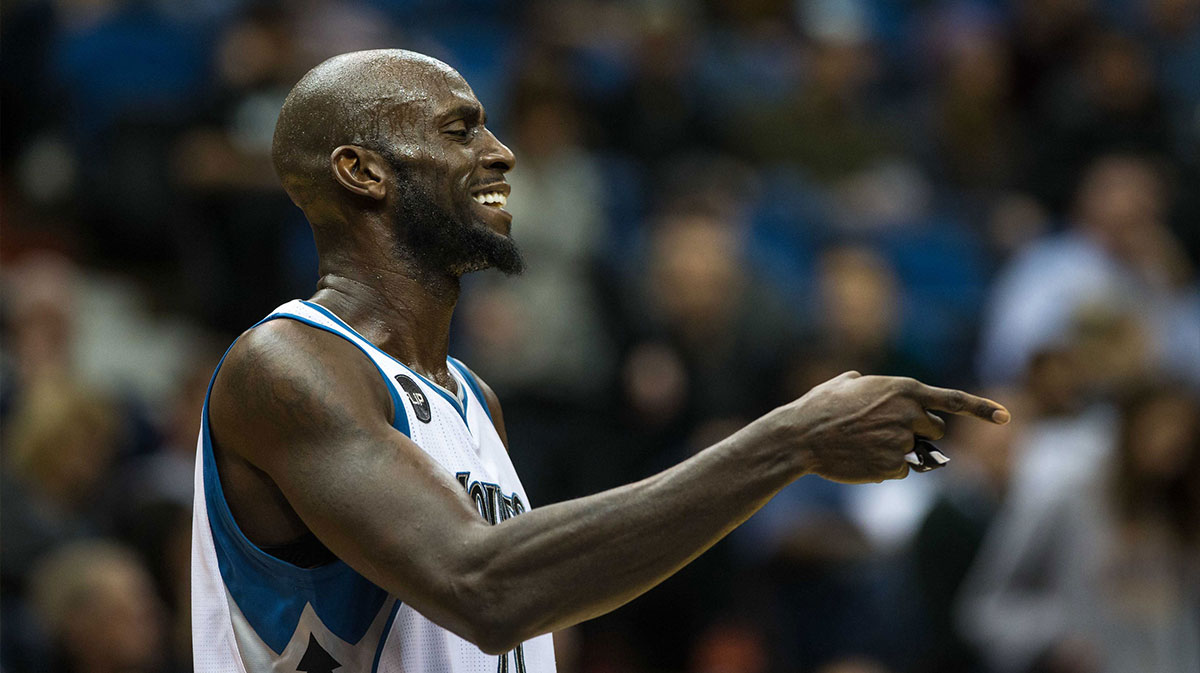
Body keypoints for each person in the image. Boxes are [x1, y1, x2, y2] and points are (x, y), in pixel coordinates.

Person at [191, 49, 1011, 673]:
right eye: (461, 130)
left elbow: (532, 596)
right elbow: (485, 587)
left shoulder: (471, 397)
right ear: (362, 171)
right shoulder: (286, 365)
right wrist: (789, 441)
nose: (502, 152)